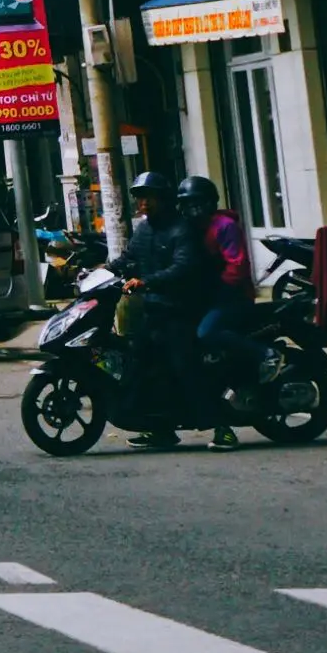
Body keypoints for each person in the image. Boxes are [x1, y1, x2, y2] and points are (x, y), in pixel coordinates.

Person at [118, 171, 212, 450]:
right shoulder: (144, 229)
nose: (143, 203)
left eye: (149, 197)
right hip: (154, 310)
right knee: (142, 365)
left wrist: (146, 282)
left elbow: (183, 267)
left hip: (181, 310)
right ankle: (160, 428)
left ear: (164, 199)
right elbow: (129, 257)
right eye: (139, 197)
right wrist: (102, 271)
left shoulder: (181, 229)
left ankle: (220, 425)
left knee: (184, 366)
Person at [182, 174, 257, 452]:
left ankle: (264, 353)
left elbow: (237, 266)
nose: (194, 209)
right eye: (188, 204)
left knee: (207, 332)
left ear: (210, 203)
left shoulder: (224, 226)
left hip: (233, 296)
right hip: (206, 298)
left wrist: (217, 291)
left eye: (199, 203)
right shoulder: (189, 229)